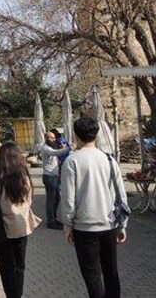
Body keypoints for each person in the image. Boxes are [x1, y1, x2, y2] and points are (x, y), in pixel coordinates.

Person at [60, 117, 129, 298]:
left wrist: (67, 225)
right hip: (109, 224)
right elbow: (121, 195)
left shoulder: (72, 161)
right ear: (97, 133)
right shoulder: (109, 160)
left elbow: (68, 198)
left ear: (76, 135)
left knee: (92, 275)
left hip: (85, 227)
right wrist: (123, 225)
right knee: (111, 272)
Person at [0, 142, 41, 298]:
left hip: (1, 230)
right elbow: (29, 201)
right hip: (22, 227)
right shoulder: (25, 179)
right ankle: (19, 295)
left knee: (6, 268)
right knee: (20, 266)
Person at [40, 130, 71, 229]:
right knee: (51, 199)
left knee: (57, 198)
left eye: (54, 138)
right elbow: (56, 153)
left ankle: (54, 218)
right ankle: (51, 221)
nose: (54, 140)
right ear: (46, 138)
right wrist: (69, 148)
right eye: (51, 138)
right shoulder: (46, 148)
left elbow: (59, 152)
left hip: (55, 176)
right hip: (49, 176)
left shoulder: (52, 146)